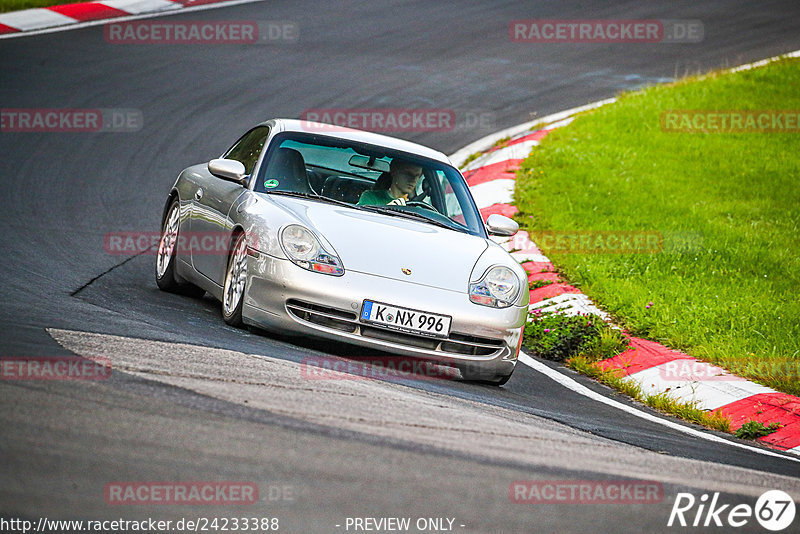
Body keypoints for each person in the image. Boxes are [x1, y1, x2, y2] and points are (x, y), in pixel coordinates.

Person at [357, 159, 423, 206]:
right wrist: (388, 209)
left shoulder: (417, 207)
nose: (414, 179)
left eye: (417, 176)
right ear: (394, 171)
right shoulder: (370, 197)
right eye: (408, 174)